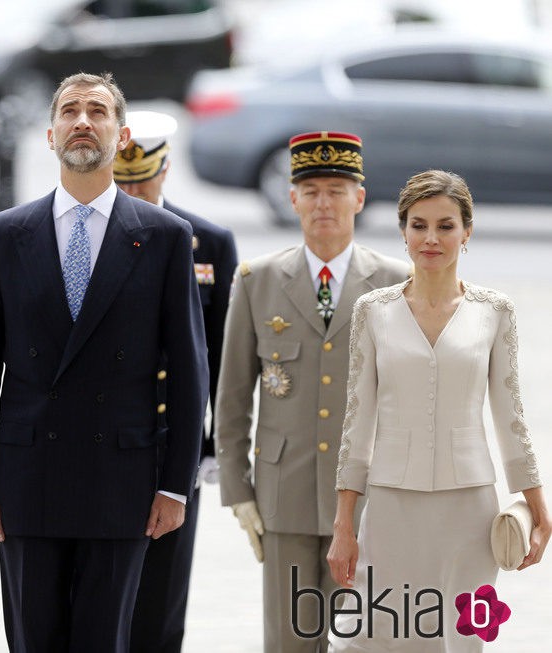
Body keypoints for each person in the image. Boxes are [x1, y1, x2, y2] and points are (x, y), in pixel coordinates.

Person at [0, 72, 208, 653]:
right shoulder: (1, 236)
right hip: (25, 480)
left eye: (98, 111)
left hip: (120, 481)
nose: (83, 121)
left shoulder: (167, 237)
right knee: (32, 640)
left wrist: (176, 487)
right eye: (70, 111)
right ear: (50, 135)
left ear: (121, 137)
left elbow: (190, 372)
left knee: (105, 640)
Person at [326, 169, 551, 652]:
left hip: (468, 509)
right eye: (419, 225)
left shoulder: (495, 311)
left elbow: (510, 416)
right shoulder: (373, 310)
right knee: (380, 632)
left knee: (459, 636)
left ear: (466, 231)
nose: (431, 238)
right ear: (403, 230)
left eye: (446, 226)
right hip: (389, 507)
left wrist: (537, 506)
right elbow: (357, 421)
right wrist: (344, 524)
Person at [214, 131, 410, 652]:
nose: (324, 202)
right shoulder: (257, 281)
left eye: (337, 189)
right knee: (290, 642)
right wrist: (238, 492)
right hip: (286, 496)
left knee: (367, 640)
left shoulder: (397, 284)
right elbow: (232, 398)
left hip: (371, 499)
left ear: (360, 199)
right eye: (312, 189)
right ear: (292, 197)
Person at [113, 109, 238, 653]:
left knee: (163, 598)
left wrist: (210, 444)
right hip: (109, 438)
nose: (135, 192)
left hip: (173, 440)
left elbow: (220, 354)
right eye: (123, 182)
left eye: (144, 179)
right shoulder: (92, 235)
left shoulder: (205, 243)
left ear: (165, 170)